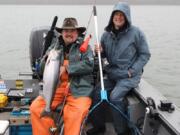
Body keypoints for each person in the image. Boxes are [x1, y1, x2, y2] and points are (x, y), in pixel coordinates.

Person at [87, 2, 151, 135]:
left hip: (129, 75)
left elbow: (145, 55)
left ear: (127, 17)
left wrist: (132, 71)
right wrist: (98, 51)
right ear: (112, 17)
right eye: (116, 14)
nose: (119, 17)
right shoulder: (106, 35)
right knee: (97, 92)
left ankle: (122, 131)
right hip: (113, 73)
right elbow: (102, 56)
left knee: (115, 97)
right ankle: (99, 126)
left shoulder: (136, 33)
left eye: (122, 15)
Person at [30, 17, 94, 135]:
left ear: (77, 33)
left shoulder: (85, 47)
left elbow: (90, 64)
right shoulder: (54, 47)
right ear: (62, 33)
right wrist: (45, 59)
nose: (69, 34)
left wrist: (67, 68)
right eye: (66, 31)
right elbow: (42, 70)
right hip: (56, 88)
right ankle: (51, 131)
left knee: (74, 113)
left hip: (79, 90)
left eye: (72, 31)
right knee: (36, 108)